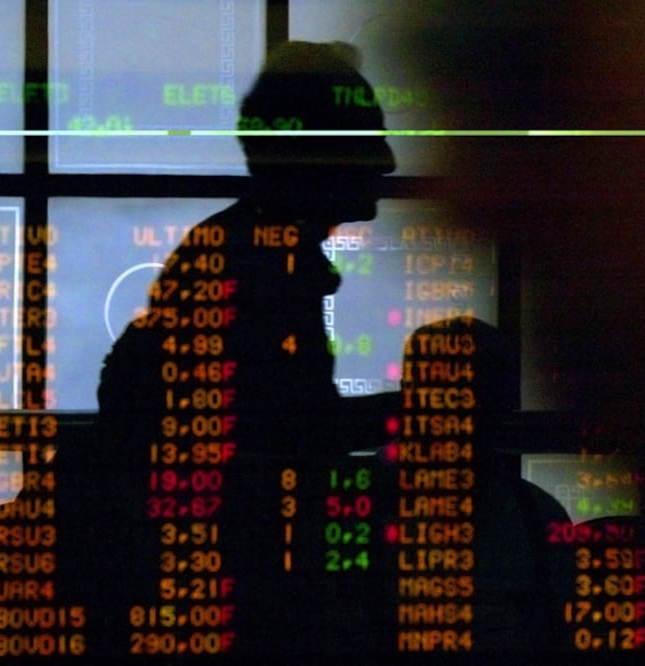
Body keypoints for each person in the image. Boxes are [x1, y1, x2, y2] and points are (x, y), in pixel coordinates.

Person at [66, 41, 397, 657]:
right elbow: (288, 436)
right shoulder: (258, 269)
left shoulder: (240, 253)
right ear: (313, 157)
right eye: (367, 137)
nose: (387, 158)